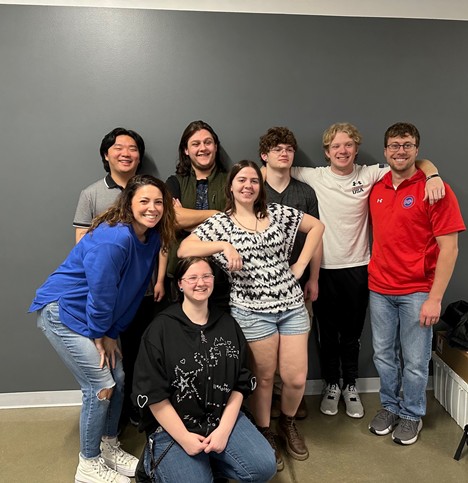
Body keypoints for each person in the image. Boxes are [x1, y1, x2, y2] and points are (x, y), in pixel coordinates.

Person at [290, 123, 444, 419]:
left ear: (356, 149)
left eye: (348, 145)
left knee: (352, 335)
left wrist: (433, 174)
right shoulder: (315, 176)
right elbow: (275, 168)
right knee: (327, 335)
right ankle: (331, 385)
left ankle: (350, 385)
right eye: (336, 146)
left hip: (360, 269)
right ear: (327, 152)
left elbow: (410, 161)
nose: (342, 150)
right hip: (322, 269)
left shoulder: (371, 173)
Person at [178, 160, 324, 471]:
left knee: (296, 378)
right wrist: (223, 246)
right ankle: (265, 431)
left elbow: (317, 227)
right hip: (251, 312)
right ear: (230, 186)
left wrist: (300, 265)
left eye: (254, 181)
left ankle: (287, 423)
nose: (248, 185)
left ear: (260, 186)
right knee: (265, 378)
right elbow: (184, 249)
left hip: (291, 306)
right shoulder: (221, 223)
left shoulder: (277, 213)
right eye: (241, 180)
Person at [29, 175, 176, 483]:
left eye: (158, 202)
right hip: (63, 310)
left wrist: (111, 332)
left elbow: (132, 292)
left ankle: (108, 445)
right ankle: (88, 463)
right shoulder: (115, 239)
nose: (152, 208)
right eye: (144, 201)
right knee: (100, 386)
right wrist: (100, 333)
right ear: (129, 204)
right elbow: (101, 292)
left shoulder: (151, 238)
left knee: (119, 379)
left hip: (95, 316)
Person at [132, 257, 277, 483]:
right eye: (192, 277)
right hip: (173, 427)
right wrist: (185, 438)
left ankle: (210, 462)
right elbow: (153, 394)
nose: (200, 283)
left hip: (220, 419)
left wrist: (223, 431)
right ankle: (155, 462)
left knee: (264, 466)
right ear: (180, 284)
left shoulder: (228, 325)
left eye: (206, 276)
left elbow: (240, 384)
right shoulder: (160, 329)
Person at [367, 122, 465, 445]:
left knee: (415, 360)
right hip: (379, 288)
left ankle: (411, 414)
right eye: (394, 145)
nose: (400, 151)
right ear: (385, 151)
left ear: (416, 150)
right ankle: (390, 407)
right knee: (383, 355)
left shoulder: (435, 190)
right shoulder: (377, 187)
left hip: (417, 291)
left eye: (407, 145)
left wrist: (434, 298)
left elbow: (450, 249)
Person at [73, 127, 167, 428]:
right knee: (109, 357)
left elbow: (162, 239)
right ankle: (112, 419)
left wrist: (158, 279)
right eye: (118, 148)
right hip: (106, 293)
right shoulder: (91, 194)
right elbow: (82, 243)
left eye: (133, 148)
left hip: (142, 292)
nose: (126, 153)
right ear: (106, 154)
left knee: (140, 351)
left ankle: (136, 410)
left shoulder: (154, 192)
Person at [259, 126, 321, 420]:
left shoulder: (304, 192)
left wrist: (313, 278)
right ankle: (270, 399)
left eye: (288, 149)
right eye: (277, 149)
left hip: (297, 284)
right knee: (266, 351)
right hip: (262, 287)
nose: (284, 154)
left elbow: (316, 236)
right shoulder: (254, 190)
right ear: (265, 155)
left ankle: (291, 397)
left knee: (296, 345)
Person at [165, 120, 230, 310]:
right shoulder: (174, 182)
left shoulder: (231, 181)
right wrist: (216, 214)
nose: (203, 148)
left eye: (208, 142)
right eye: (195, 144)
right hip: (181, 274)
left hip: (221, 276)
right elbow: (173, 219)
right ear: (186, 150)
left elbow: (232, 224)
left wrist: (188, 219)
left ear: (215, 146)